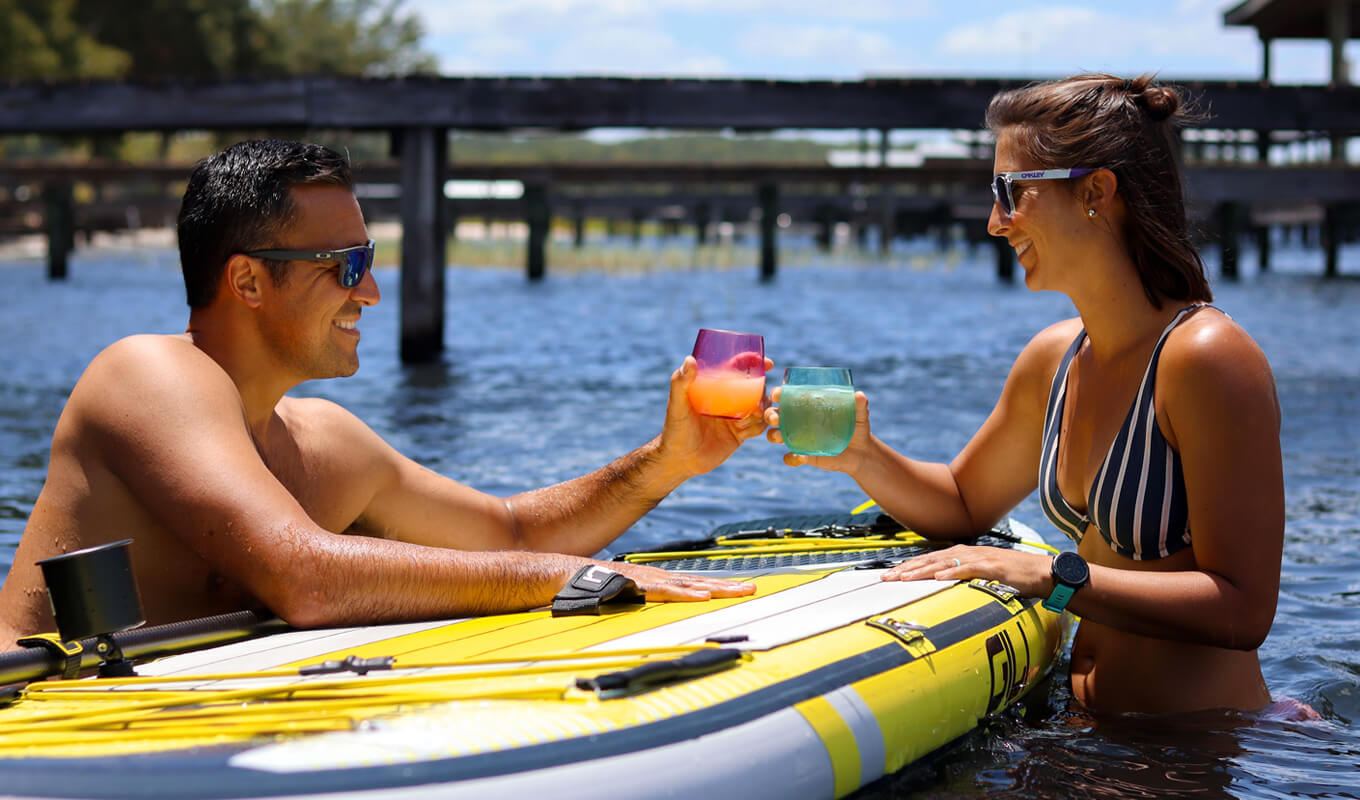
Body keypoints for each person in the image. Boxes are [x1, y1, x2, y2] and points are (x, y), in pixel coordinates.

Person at [0, 139, 762, 652]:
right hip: (37, 736)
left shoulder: (322, 443)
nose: (370, 288)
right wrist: (567, 582)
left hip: (177, 731)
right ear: (247, 282)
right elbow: (307, 578)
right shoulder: (143, 375)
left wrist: (667, 463)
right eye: (347, 262)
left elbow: (512, 536)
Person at [767, 74, 1284, 714]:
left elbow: (1244, 611)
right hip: (1083, 737)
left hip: (1200, 752)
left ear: (1096, 191)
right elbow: (962, 503)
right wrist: (861, 456)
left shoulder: (1205, 359)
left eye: (1010, 192)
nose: (994, 223)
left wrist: (1049, 577)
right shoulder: (1054, 359)